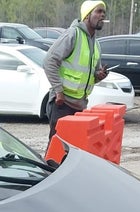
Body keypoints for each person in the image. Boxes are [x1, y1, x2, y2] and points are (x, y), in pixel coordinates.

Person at [43, 0, 109, 141]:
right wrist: (59, 91)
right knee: (58, 150)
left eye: (104, 12)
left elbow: (90, 75)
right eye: (98, 11)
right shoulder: (73, 35)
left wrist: (99, 75)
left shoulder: (96, 44)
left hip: (80, 105)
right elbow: (49, 62)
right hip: (63, 104)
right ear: (86, 16)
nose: (102, 15)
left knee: (74, 149)